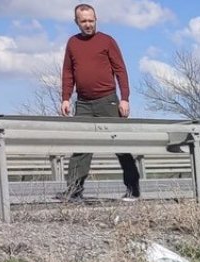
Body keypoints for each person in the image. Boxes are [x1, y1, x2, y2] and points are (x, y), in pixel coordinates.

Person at [58, 3, 139, 203]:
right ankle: (74, 191)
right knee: (81, 148)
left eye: (91, 20)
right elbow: (68, 72)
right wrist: (66, 97)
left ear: (96, 19)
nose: (88, 24)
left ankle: (133, 189)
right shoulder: (73, 43)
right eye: (83, 21)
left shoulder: (107, 41)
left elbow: (120, 70)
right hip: (83, 103)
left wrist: (125, 98)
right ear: (76, 22)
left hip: (107, 101)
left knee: (120, 144)